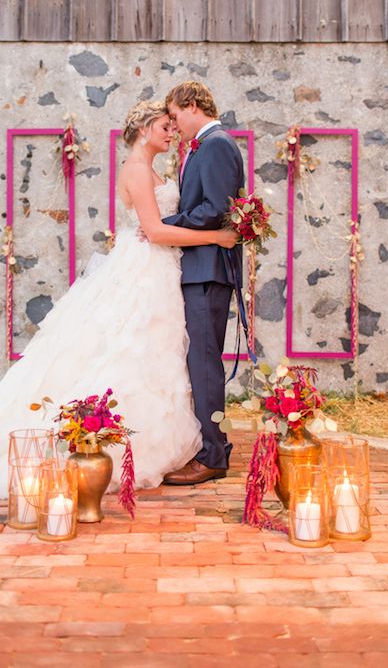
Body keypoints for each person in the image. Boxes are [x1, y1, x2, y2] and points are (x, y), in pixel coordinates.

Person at [0, 101, 237, 499]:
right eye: (165, 126)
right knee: (130, 347)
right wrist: (218, 237)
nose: (171, 133)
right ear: (146, 128)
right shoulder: (135, 170)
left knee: (157, 350)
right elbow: (157, 231)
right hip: (148, 267)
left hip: (162, 270)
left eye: (172, 125)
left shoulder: (154, 169)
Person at [161, 82, 245, 485]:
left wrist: (164, 225)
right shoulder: (204, 146)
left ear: (192, 106)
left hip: (209, 269)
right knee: (199, 360)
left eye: (175, 115)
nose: (173, 124)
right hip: (199, 268)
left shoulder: (215, 145)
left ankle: (213, 455)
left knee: (205, 362)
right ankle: (210, 445)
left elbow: (214, 210)